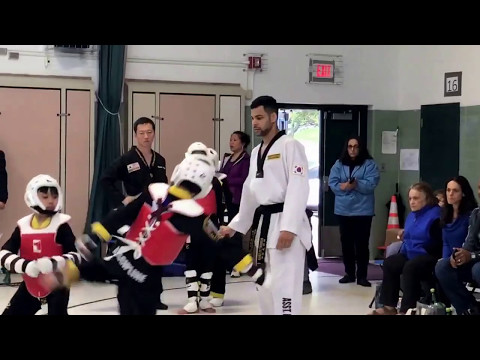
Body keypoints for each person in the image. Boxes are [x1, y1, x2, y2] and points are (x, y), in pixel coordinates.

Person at [44, 154, 266, 315]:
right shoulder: (194, 216)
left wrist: (93, 237)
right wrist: (253, 270)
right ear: (204, 186)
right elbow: (222, 245)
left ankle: (79, 269)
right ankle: (80, 270)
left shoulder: (153, 191)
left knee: (110, 272)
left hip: (122, 256)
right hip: (145, 274)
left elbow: (121, 214)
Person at [219, 95, 312, 315]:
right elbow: (250, 192)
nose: (255, 122)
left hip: (285, 223)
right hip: (264, 227)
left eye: (259, 117)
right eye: (252, 118)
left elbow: (298, 188)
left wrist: (289, 227)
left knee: (285, 285)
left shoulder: (291, 146)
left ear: (273, 116)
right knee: (264, 283)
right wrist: (235, 225)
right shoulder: (257, 152)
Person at [100, 116, 168, 310]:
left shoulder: (160, 160)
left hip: (155, 214)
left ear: (154, 133)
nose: (146, 137)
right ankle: (129, 294)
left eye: (149, 132)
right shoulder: (127, 159)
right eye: (142, 133)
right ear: (135, 135)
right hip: (133, 215)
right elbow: (106, 180)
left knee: (155, 255)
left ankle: (155, 296)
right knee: (133, 255)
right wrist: (122, 200)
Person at [0, 174, 82, 315]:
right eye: (45, 197)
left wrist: (53, 263)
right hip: (30, 283)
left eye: (54, 197)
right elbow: (4, 253)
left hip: (57, 284)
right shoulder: (23, 226)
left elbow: (76, 257)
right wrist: (26, 266)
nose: (51, 201)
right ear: (32, 196)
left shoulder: (61, 225)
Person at [369, 182, 442, 315]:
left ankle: (406, 309)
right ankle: (389, 307)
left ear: (426, 199)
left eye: (416, 198)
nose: (412, 202)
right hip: (411, 252)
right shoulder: (413, 215)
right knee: (391, 262)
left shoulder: (435, 216)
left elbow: (436, 244)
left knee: (410, 267)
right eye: (410, 199)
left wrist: (416, 247)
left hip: (429, 255)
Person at [328, 135, 380, 287]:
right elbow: (333, 182)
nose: (352, 149)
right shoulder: (339, 164)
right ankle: (349, 273)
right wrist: (343, 187)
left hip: (363, 211)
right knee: (346, 244)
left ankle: (362, 276)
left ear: (360, 148)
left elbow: (371, 184)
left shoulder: (369, 164)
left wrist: (356, 185)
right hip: (343, 210)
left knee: (362, 244)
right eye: (350, 146)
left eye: (356, 146)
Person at [435, 178, 480, 315]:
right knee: (443, 266)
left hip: (477, 262)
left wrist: (471, 255)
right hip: (474, 261)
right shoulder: (476, 214)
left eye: (455, 190)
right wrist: (459, 255)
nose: (450, 194)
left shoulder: (467, 213)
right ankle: (469, 309)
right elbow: (469, 242)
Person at [440, 176, 477, 259]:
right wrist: (445, 260)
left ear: (463, 193)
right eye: (448, 190)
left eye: (455, 191)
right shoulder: (445, 213)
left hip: (465, 258)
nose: (450, 194)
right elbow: (445, 243)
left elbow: (471, 244)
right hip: (449, 259)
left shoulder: (471, 216)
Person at [220, 131, 251, 223]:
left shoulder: (246, 159)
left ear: (243, 143)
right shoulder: (227, 158)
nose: (231, 142)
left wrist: (227, 180)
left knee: (234, 222)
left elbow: (244, 178)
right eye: (230, 140)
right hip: (224, 196)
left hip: (236, 197)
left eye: (234, 140)